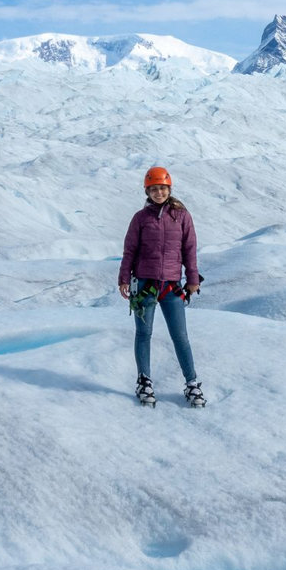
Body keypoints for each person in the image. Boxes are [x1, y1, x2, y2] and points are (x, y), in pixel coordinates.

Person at [118, 165, 204, 407]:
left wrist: (193, 278)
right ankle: (144, 381)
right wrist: (124, 278)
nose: (159, 193)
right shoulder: (140, 218)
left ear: (169, 189)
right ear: (147, 191)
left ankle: (192, 384)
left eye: (162, 189)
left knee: (180, 337)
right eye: (154, 189)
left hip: (172, 285)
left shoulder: (182, 216)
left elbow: (189, 250)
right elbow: (130, 250)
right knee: (144, 334)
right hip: (144, 283)